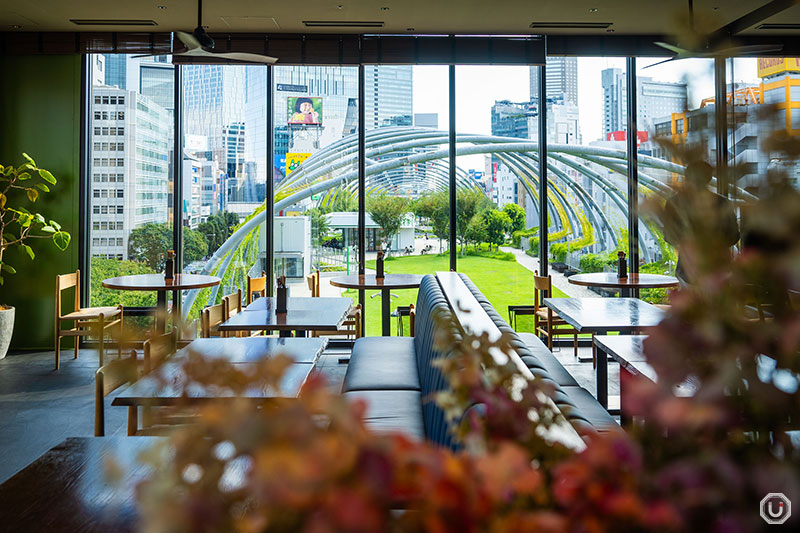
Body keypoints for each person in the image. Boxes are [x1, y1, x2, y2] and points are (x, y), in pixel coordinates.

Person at [662, 161, 739, 286]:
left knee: (690, 304)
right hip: (719, 268)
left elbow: (670, 237)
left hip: (688, 269)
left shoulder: (674, 203)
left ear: (687, 178)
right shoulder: (723, 203)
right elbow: (734, 236)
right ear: (709, 178)